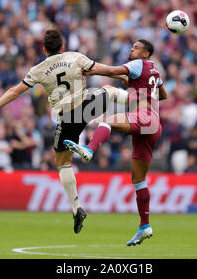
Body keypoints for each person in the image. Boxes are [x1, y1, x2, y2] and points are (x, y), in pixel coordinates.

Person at [0, 29, 124, 234]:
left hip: (68, 117)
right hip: (87, 105)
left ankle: (76, 208)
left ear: (44, 49)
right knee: (111, 91)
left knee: (62, 163)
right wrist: (125, 74)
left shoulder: (38, 69)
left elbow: (14, 91)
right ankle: (141, 100)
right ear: (62, 47)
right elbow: (108, 71)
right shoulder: (74, 57)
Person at [63, 39, 167, 246]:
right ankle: (144, 226)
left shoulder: (138, 64)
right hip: (153, 125)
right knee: (138, 180)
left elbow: (111, 70)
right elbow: (162, 95)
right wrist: (131, 83)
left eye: (136, 47)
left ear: (145, 53)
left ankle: (89, 150)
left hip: (144, 117)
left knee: (108, 121)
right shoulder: (154, 72)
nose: (132, 48)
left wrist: (90, 71)